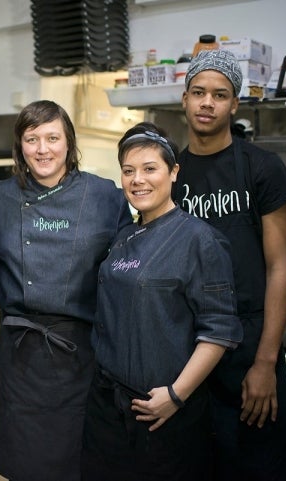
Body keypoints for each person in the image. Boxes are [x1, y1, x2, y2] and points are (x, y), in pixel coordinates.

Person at [81, 122, 243, 481]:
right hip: (106, 408)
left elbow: (218, 331)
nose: (138, 179)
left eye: (150, 169)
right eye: (128, 171)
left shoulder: (200, 240)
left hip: (163, 414)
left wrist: (175, 395)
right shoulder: (123, 235)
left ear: (173, 172)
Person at [0, 100, 133, 481]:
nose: (42, 149)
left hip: (80, 354)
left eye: (52, 138)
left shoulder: (105, 197)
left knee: (75, 464)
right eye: (31, 139)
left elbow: (126, 275)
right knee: (22, 465)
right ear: (20, 146)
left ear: (69, 142)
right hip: (20, 353)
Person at [171, 49, 286, 481]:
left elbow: (279, 268)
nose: (208, 103)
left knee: (255, 467)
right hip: (188, 348)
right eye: (199, 92)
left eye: (219, 95)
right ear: (184, 98)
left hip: (248, 348)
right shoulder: (171, 173)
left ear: (234, 104)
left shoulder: (262, 169)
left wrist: (265, 363)